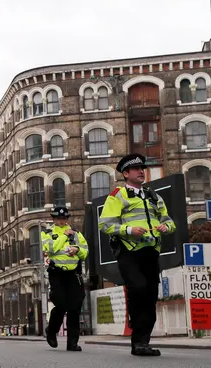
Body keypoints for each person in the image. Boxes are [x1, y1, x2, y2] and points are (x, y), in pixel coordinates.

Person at [99, 153, 176, 357]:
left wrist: (165, 227)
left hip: (151, 251)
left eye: (143, 168)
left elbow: (170, 222)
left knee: (151, 295)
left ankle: (144, 341)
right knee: (138, 288)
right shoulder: (117, 196)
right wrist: (129, 230)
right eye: (137, 169)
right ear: (126, 173)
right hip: (128, 251)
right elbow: (105, 225)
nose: (142, 171)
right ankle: (137, 339)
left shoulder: (154, 196)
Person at [41, 206, 88, 351]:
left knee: (75, 307)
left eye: (64, 219)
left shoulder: (77, 234)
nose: (61, 221)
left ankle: (72, 342)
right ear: (54, 219)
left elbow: (85, 252)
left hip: (73, 273)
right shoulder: (47, 232)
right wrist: (64, 237)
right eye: (58, 219)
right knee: (61, 304)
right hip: (57, 273)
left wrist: (77, 250)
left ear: (67, 219)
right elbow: (50, 249)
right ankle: (52, 330)